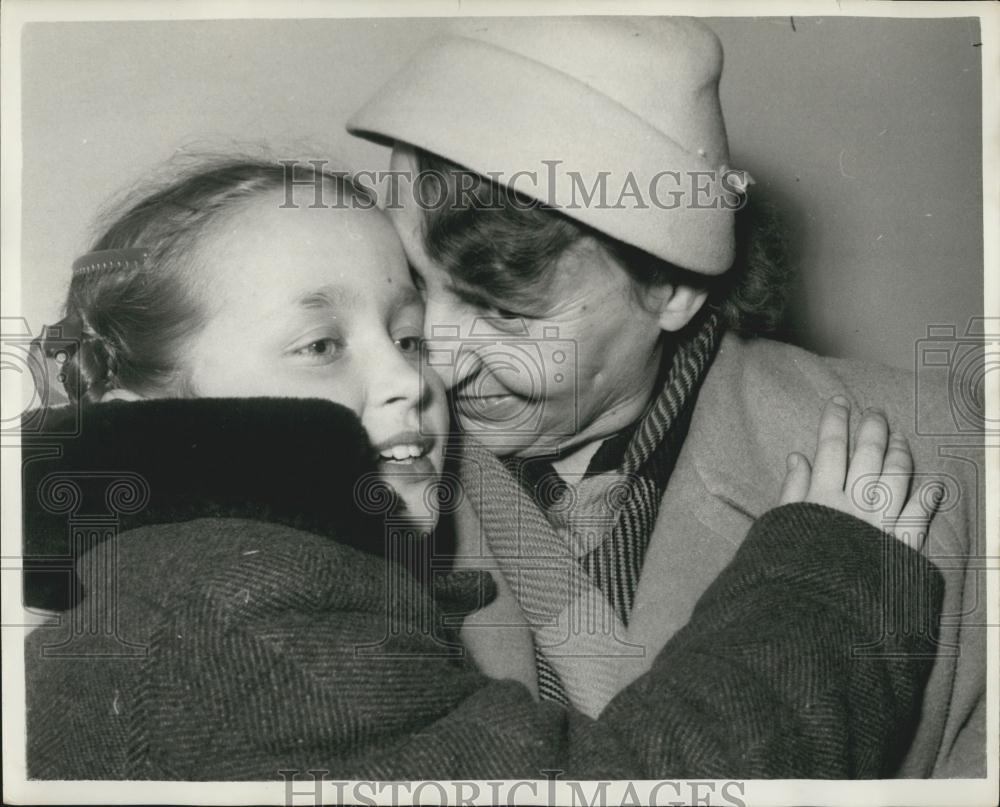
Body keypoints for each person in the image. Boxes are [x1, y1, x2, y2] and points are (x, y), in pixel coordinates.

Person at [23, 157, 941, 780]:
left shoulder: (185, 577)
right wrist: (829, 588)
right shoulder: (242, 619)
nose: (421, 378)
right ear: (135, 404)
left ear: (668, 290)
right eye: (318, 344)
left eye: (407, 333)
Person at [347, 16, 985, 776]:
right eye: (416, 286)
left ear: (671, 289)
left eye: (505, 311)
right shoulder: (352, 467)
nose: (436, 370)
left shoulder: (955, 452)